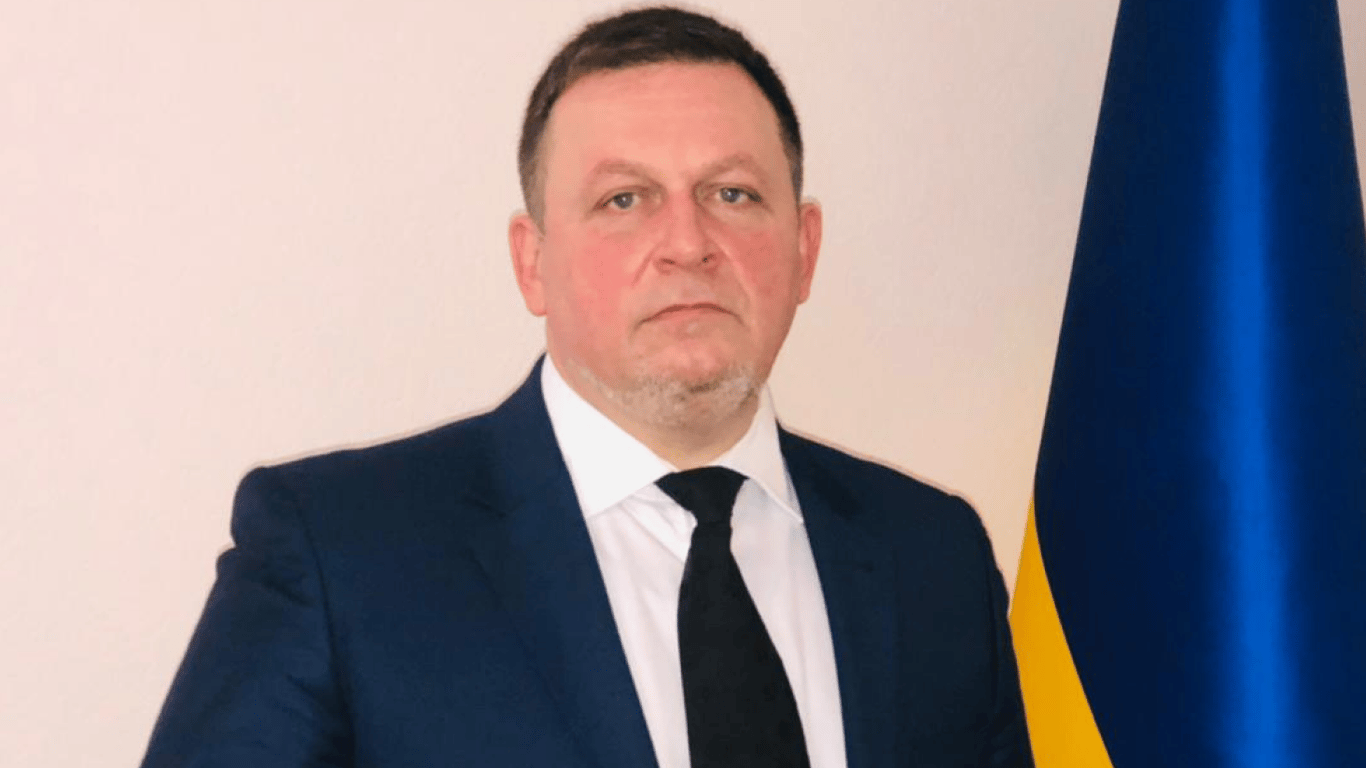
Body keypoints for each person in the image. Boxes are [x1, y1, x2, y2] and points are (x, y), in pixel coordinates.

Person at [140, 6, 1033, 768]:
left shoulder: (936, 558)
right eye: (624, 200)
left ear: (805, 248)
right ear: (532, 263)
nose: (687, 243)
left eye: (731, 194)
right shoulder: (340, 554)